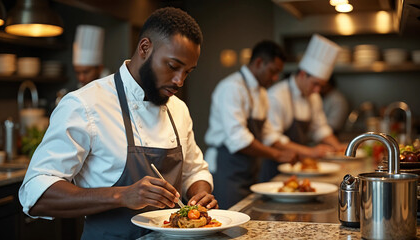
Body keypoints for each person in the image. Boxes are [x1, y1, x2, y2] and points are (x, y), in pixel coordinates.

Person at [19, 7, 217, 239]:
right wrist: (121, 196)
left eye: (188, 72)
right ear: (145, 48)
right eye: (173, 66)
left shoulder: (178, 109)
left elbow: (194, 170)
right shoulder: (85, 104)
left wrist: (199, 193)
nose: (179, 81)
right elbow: (35, 193)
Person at [204, 40, 297, 209]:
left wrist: (292, 151)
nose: (275, 78)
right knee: (228, 225)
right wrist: (277, 155)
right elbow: (239, 140)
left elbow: (268, 133)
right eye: (273, 71)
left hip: (249, 170)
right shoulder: (232, 87)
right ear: (259, 63)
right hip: (226, 169)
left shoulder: (261, 93)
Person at [260, 34, 344, 182]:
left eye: (321, 86)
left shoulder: (313, 96)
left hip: (300, 168)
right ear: (303, 74)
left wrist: (338, 148)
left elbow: (320, 128)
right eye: (315, 84)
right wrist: (311, 152)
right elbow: (273, 139)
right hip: (276, 168)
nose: (318, 90)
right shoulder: (277, 95)